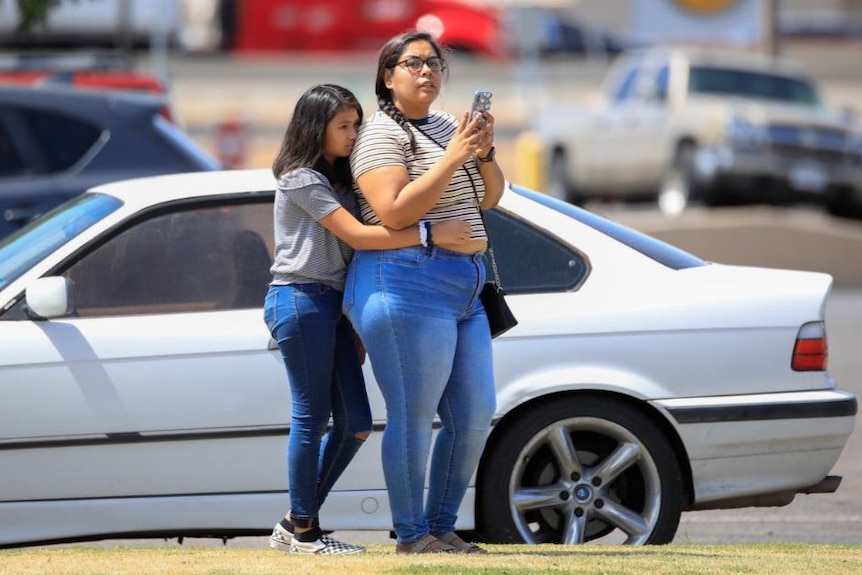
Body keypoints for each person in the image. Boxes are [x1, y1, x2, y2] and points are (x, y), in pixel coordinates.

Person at [264, 83, 471, 556]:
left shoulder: (340, 179)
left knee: (356, 423)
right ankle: (304, 534)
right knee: (311, 417)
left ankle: (295, 521)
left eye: (357, 124)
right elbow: (359, 236)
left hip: (332, 308)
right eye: (343, 126)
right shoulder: (300, 178)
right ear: (316, 128)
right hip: (298, 299)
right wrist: (430, 232)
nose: (354, 134)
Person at [344, 30, 506, 554]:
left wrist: (481, 152)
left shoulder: (443, 127)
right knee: (414, 415)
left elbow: (494, 197)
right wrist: (453, 156)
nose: (427, 72)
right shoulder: (379, 134)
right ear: (387, 77)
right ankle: (412, 536)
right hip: (406, 279)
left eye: (435, 63)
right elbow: (393, 211)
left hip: (465, 287)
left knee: (475, 413)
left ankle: (440, 527)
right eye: (412, 63)